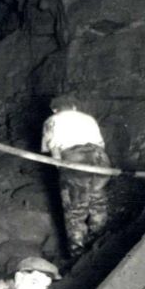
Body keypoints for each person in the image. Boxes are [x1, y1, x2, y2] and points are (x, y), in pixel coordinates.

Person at [42, 97, 112, 258]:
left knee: (74, 208)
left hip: (75, 158)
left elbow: (53, 148)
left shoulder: (51, 120)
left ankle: (78, 250)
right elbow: (101, 144)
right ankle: (100, 238)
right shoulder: (88, 118)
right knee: (98, 198)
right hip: (100, 157)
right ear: (74, 107)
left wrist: (61, 167)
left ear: (54, 110)